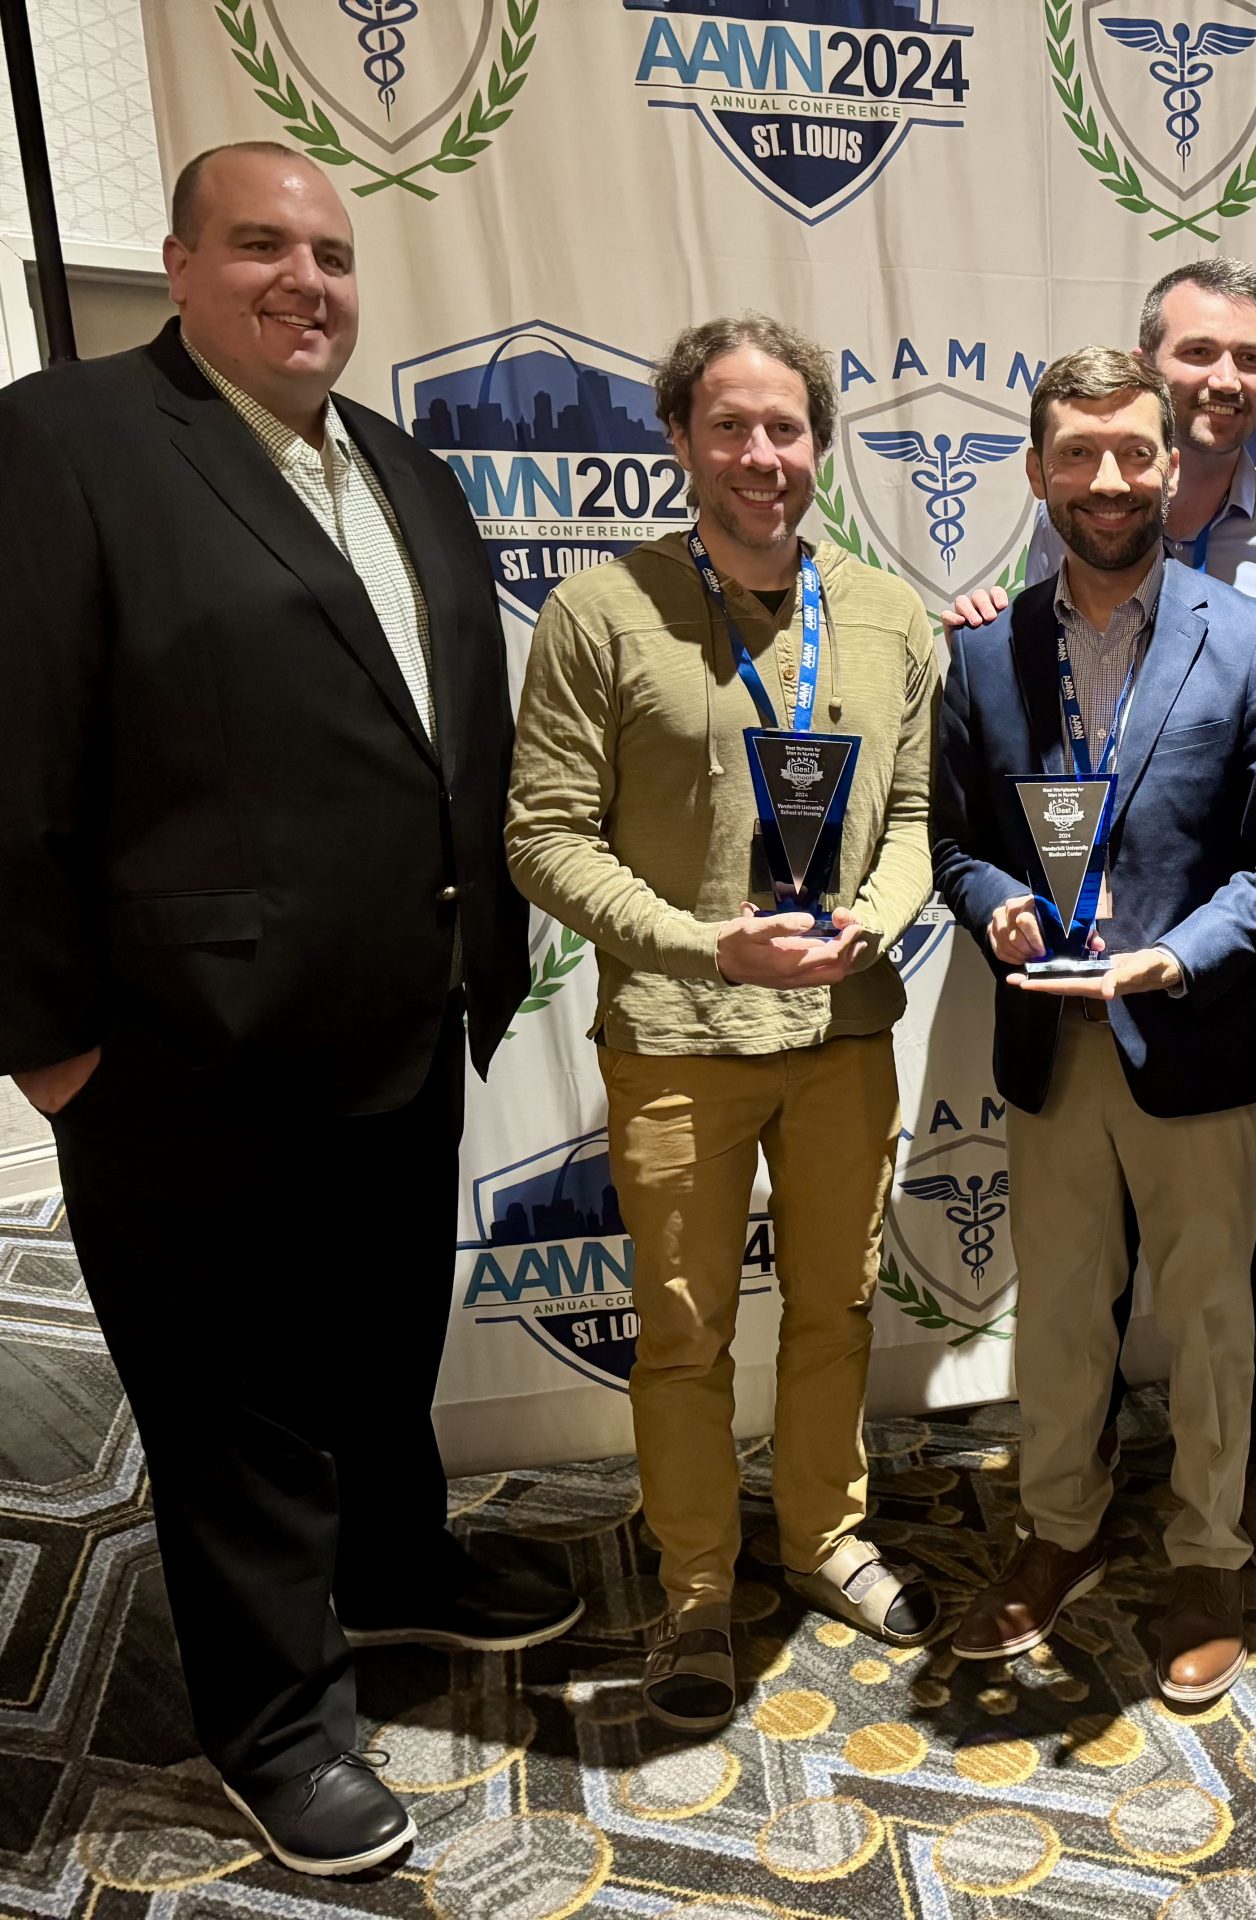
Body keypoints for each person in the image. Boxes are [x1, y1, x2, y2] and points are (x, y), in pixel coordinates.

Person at [0, 141, 579, 1876]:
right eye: (260, 246)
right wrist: (48, 1043)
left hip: (401, 1015)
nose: (303, 280)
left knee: (380, 1345)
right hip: (182, 1054)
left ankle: (398, 1569)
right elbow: (11, 762)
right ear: (180, 266)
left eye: (328, 252)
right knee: (233, 1406)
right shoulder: (64, 444)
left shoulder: (399, 467)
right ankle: (274, 1719)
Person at [507, 314, 942, 1732]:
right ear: (682, 439)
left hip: (842, 1038)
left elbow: (923, 818)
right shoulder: (601, 613)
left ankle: (823, 1539)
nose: (763, 455)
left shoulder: (888, 616)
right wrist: (708, 944)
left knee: (838, 1308)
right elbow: (545, 837)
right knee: (683, 1333)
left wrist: (875, 907)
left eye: (788, 427)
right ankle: (697, 1584)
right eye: (732, 427)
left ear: (820, 441)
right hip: (678, 1042)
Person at [947, 261, 1256, 1581]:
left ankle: (1206, 1553)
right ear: (1038, 476)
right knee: (1063, 1319)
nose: (1113, 480)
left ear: (1166, 454)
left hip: (1202, 1036)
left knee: (1213, 1321)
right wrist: (1002, 902)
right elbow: (958, 837)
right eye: (1079, 456)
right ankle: (1057, 1529)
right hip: (1051, 1042)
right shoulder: (987, 646)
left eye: (1133, 452)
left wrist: (1183, 956)